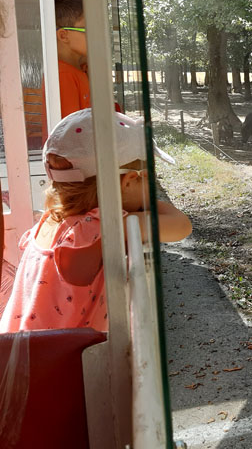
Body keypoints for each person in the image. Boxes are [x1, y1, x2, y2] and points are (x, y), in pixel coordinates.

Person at [0, 108, 192, 333]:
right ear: (129, 181)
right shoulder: (102, 227)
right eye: (149, 178)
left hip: (22, 355)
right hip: (58, 364)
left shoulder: (49, 221)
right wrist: (145, 197)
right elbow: (181, 225)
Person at [55, 0, 92, 117]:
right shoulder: (64, 75)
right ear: (63, 36)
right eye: (88, 30)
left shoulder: (77, 71)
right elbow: (70, 132)